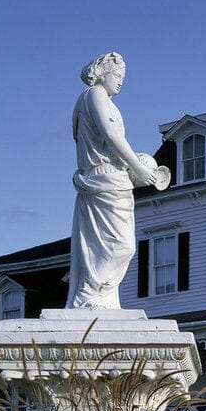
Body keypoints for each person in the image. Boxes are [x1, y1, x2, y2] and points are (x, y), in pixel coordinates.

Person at [65, 51, 160, 309]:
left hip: (114, 178)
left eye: (123, 78)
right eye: (117, 75)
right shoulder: (94, 94)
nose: (120, 81)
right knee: (119, 245)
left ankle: (102, 295)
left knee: (119, 245)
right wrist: (137, 167)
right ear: (103, 73)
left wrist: (136, 164)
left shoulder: (106, 101)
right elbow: (109, 133)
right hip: (102, 178)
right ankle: (88, 293)